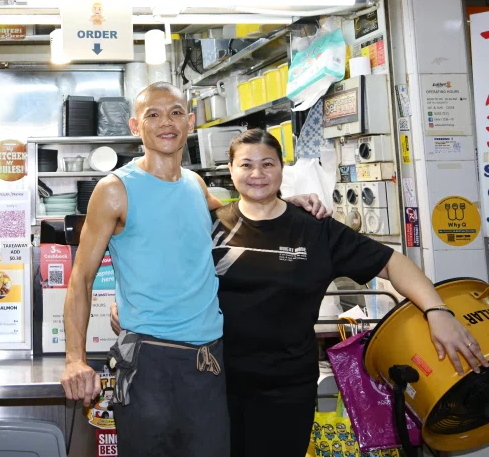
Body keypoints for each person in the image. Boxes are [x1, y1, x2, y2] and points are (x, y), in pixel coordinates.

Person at [110, 128, 487, 457]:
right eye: (246, 165)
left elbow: (392, 263)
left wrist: (438, 312)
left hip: (286, 386)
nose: (257, 173)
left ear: (281, 169)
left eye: (268, 164)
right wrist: (126, 306)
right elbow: (161, 270)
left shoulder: (315, 229)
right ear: (231, 171)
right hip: (213, 382)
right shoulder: (209, 225)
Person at [60, 83, 328, 456]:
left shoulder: (194, 184)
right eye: (153, 114)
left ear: (189, 122)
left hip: (209, 358)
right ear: (136, 126)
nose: (165, 122)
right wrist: (75, 359)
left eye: (174, 113)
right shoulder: (115, 189)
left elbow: (239, 216)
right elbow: (81, 278)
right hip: (149, 360)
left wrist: (283, 203)